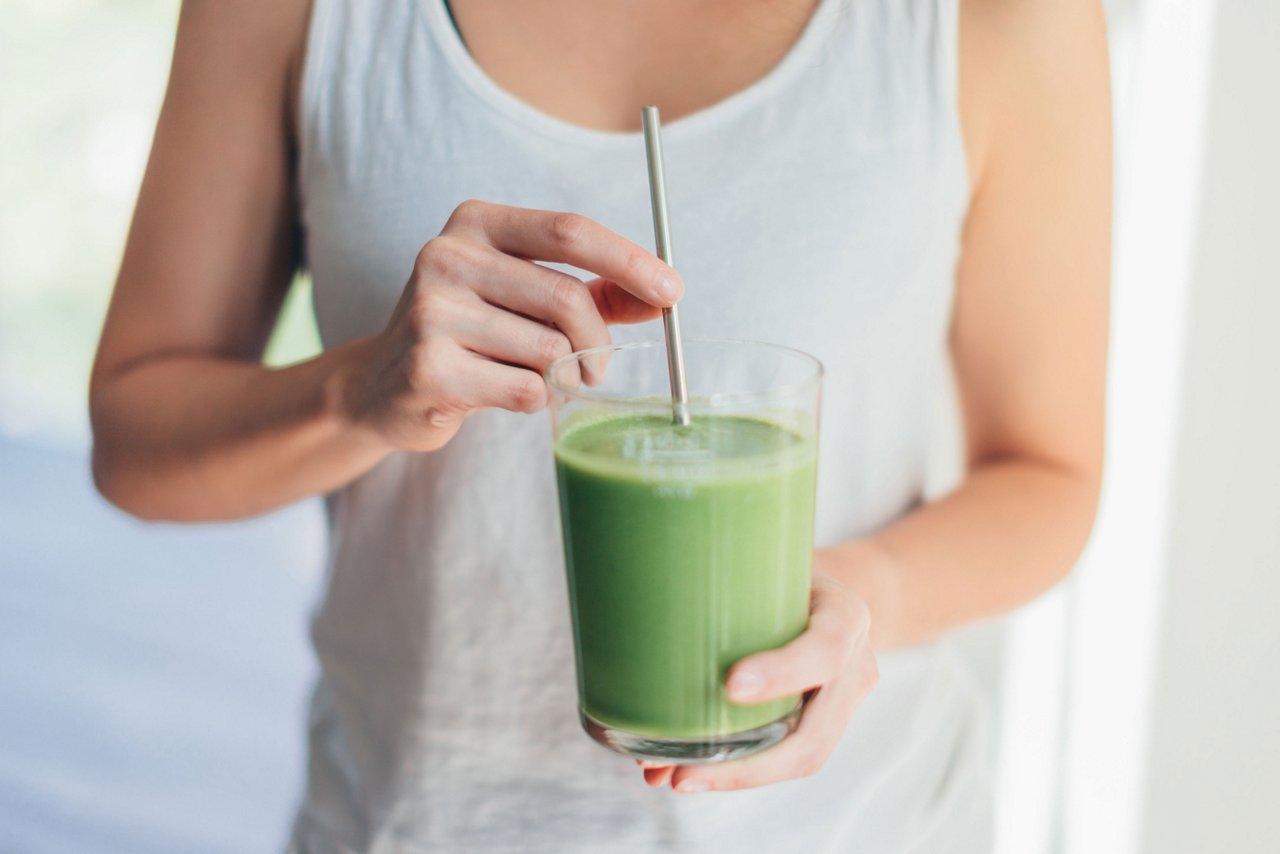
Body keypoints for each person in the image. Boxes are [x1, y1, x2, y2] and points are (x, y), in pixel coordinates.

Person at [89, 0, 1111, 850]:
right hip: (412, 819)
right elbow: (137, 445)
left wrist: (871, 589)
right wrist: (361, 387)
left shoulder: (1002, 19)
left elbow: (1047, 473)